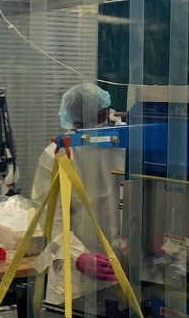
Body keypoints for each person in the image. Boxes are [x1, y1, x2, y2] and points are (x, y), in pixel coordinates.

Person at [31, 83, 124, 306]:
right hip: (75, 279)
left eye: (96, 115)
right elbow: (49, 219)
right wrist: (78, 256)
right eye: (82, 120)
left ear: (106, 110)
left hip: (123, 272)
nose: (91, 124)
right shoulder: (59, 154)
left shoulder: (125, 145)